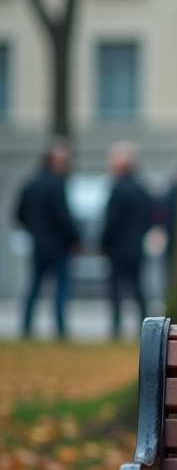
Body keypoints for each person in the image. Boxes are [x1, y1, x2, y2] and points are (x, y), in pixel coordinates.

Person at [15, 140, 78, 339]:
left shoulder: (30, 183)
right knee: (60, 290)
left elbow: (18, 214)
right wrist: (74, 238)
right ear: (55, 161)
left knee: (33, 287)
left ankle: (26, 327)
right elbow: (63, 218)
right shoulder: (56, 185)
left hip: (38, 245)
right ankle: (60, 330)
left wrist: (35, 230)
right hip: (58, 246)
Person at [100, 142, 156, 339]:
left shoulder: (118, 190)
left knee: (116, 290)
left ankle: (116, 327)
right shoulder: (142, 189)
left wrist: (103, 243)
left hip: (117, 249)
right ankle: (145, 326)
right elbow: (152, 216)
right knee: (139, 289)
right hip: (136, 247)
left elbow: (111, 221)